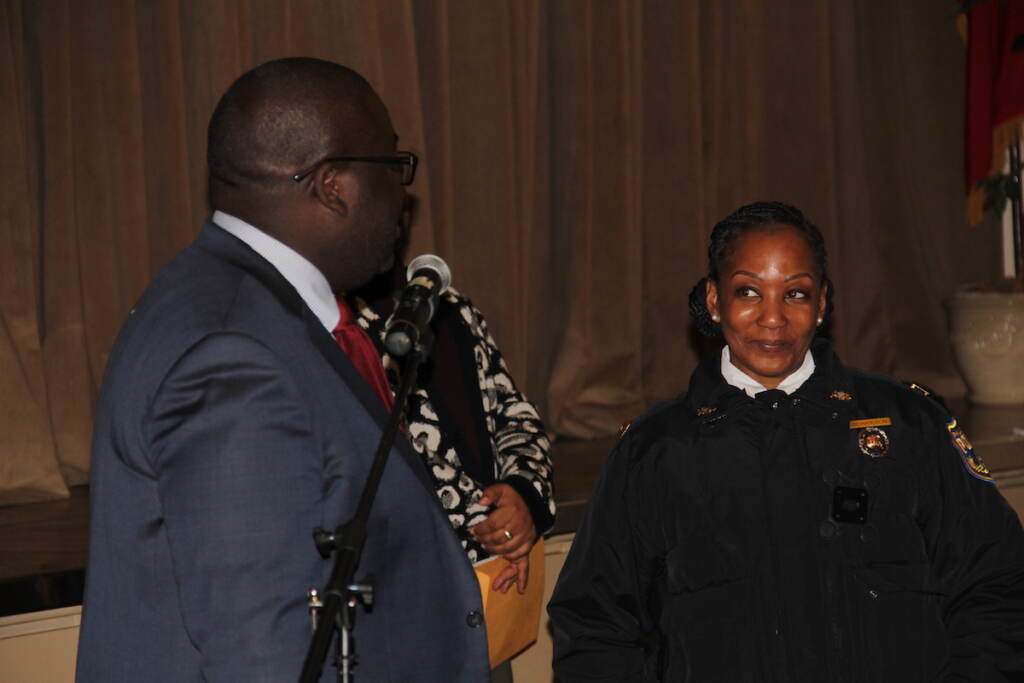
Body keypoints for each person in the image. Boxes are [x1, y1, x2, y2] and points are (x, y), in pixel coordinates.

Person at [76, 58, 489, 682]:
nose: (404, 198)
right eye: (394, 167)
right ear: (332, 185)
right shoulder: (232, 356)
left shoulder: (231, 303)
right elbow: (265, 656)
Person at [548, 201, 1024, 682]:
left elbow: (996, 584)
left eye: (795, 293)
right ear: (714, 302)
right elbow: (594, 627)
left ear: (821, 304)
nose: (773, 317)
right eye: (749, 292)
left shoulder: (908, 425)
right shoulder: (657, 451)